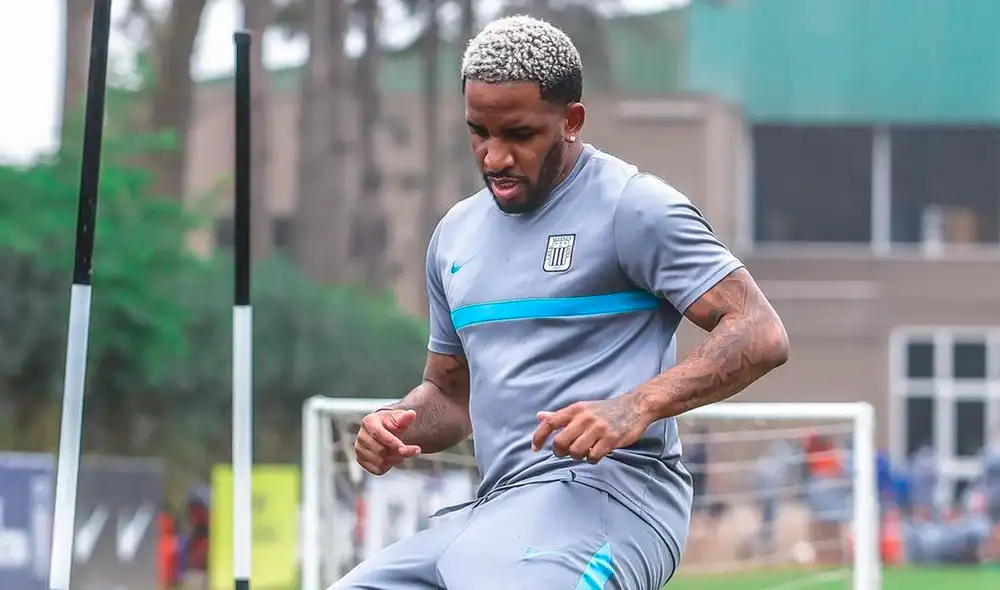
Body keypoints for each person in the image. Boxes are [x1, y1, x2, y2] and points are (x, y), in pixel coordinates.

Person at [335, 15, 789, 590]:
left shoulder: (634, 208)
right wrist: (396, 423)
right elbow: (452, 394)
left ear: (571, 120)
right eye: (479, 131)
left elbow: (758, 331)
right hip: (497, 507)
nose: (494, 157)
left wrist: (635, 406)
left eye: (519, 135)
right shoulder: (455, 236)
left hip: (615, 498)